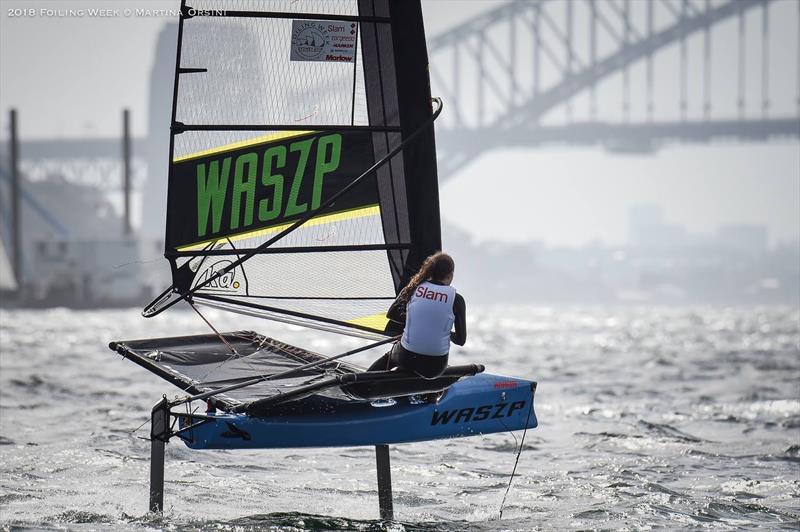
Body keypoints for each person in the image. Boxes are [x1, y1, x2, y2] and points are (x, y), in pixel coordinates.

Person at [368, 251, 466, 378]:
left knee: (389, 358)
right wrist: (441, 330)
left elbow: (392, 314)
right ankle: (430, 394)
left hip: (406, 358)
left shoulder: (414, 288)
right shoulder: (457, 299)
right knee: (431, 368)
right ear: (450, 275)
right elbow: (460, 340)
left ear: (429, 272)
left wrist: (415, 322)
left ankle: (358, 385)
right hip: (436, 367)